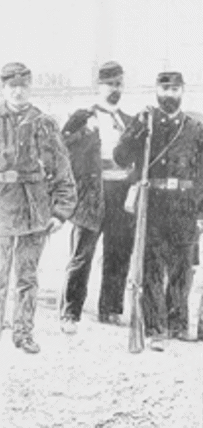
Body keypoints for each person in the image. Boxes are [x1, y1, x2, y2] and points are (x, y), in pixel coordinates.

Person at [114, 71, 203, 351]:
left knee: (182, 267)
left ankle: (178, 325)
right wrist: (135, 133)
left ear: (183, 91)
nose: (169, 94)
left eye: (175, 89)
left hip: (184, 204)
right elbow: (122, 158)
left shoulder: (194, 128)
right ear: (156, 90)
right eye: (165, 88)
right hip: (153, 203)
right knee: (152, 267)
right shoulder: (145, 122)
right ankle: (155, 328)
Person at [0, 62, 76, 353]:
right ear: (4, 88)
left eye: (23, 86)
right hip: (2, 209)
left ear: (30, 88)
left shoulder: (44, 123)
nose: (18, 92)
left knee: (27, 277)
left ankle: (23, 332)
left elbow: (62, 169)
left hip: (34, 210)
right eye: (11, 86)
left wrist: (61, 211)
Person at [60, 61, 134, 333]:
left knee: (118, 253)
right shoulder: (82, 116)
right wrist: (84, 132)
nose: (115, 89)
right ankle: (70, 312)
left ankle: (111, 309)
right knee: (82, 254)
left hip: (121, 193)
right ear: (98, 86)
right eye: (110, 84)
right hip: (92, 193)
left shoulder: (129, 121)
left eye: (119, 84)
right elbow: (61, 148)